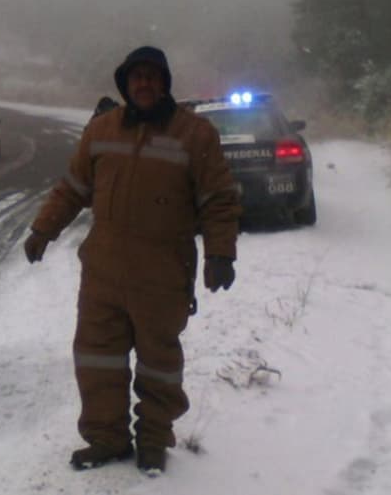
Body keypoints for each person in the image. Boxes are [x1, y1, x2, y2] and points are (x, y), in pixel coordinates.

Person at [23, 45, 240, 476]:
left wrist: (220, 254)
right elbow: (71, 188)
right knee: (97, 357)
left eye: (152, 76)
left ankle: (154, 440)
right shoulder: (102, 130)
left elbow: (218, 201)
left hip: (162, 273)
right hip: (103, 271)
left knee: (159, 362)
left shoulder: (195, 135)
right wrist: (43, 229)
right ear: (125, 83)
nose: (144, 83)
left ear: (164, 83)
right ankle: (107, 438)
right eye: (136, 76)